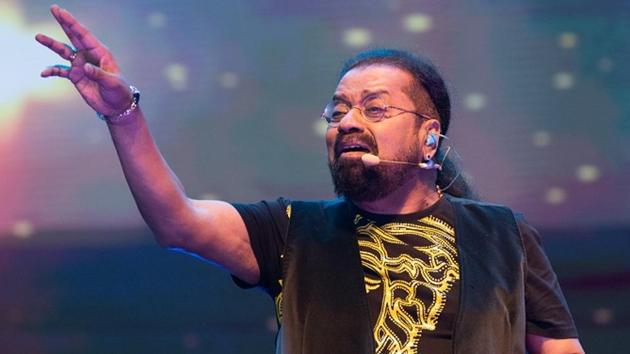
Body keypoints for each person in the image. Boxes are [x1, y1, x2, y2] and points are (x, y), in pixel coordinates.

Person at [36, 5, 585, 354]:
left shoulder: (504, 235)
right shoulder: (293, 231)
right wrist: (123, 115)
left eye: (374, 108)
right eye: (339, 109)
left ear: (429, 138)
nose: (348, 121)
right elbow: (177, 222)